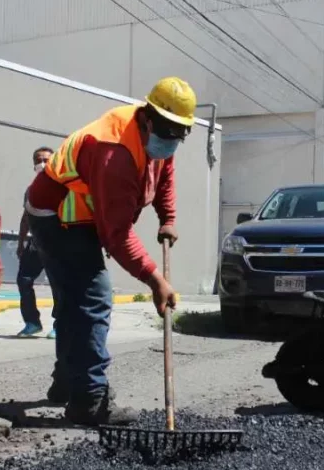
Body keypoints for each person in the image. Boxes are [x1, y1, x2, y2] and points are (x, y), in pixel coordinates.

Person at [25, 77, 194, 426]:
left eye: (179, 131)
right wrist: (155, 279)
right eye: (166, 128)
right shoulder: (114, 151)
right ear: (147, 116)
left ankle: (68, 384)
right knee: (94, 298)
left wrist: (168, 218)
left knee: (74, 302)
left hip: (86, 216)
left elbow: (164, 174)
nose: (171, 137)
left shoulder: (158, 141)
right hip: (56, 216)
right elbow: (116, 236)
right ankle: (89, 400)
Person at [16, 147, 59, 338]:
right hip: (35, 244)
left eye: (46, 160)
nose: (42, 163)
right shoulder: (30, 190)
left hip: (57, 244)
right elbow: (26, 217)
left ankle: (60, 324)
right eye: (38, 159)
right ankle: (32, 323)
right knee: (23, 280)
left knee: (59, 284)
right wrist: (20, 243)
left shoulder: (62, 187)